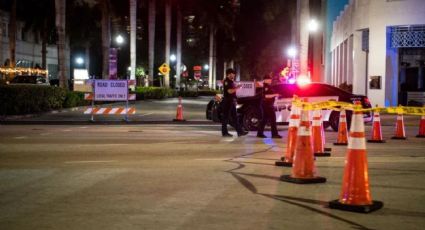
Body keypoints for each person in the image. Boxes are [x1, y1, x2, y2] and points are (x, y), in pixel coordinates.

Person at [221, 68, 248, 137]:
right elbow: (229, 91)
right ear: (228, 74)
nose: (233, 75)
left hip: (231, 102)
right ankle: (224, 133)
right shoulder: (227, 81)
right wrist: (237, 87)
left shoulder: (231, 81)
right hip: (227, 102)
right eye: (232, 74)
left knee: (235, 117)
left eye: (233, 74)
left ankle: (240, 132)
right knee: (226, 118)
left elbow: (232, 92)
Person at [257, 74, 282, 138]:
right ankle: (274, 134)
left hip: (267, 105)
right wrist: (275, 95)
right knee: (273, 119)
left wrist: (276, 95)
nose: (270, 80)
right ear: (265, 80)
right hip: (267, 105)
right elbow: (266, 96)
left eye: (270, 79)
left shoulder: (267, 86)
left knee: (264, 119)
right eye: (269, 79)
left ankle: (259, 133)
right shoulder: (265, 87)